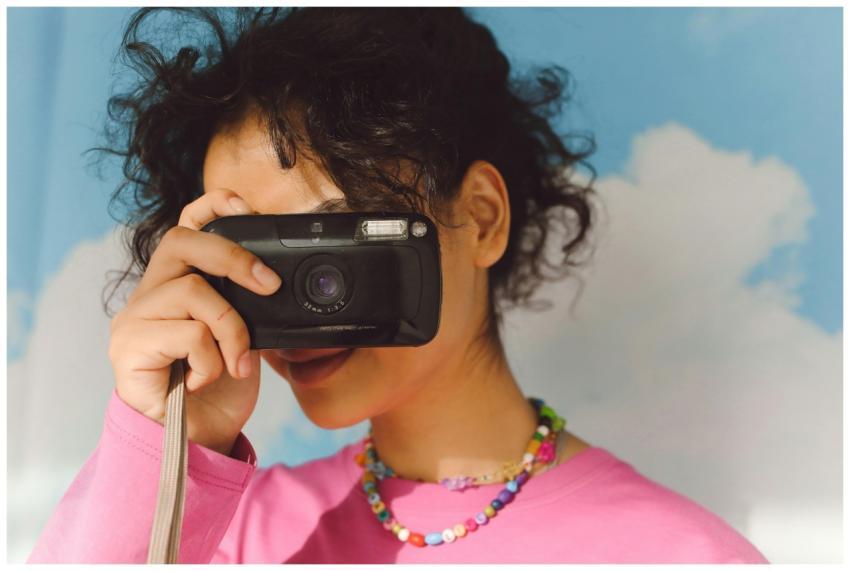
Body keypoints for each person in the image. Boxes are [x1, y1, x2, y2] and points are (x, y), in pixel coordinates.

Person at [27, 7, 768, 564]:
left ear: (481, 218)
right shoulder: (225, 534)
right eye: (248, 249)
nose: (290, 288)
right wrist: (170, 442)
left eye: (334, 234)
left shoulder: (680, 554)